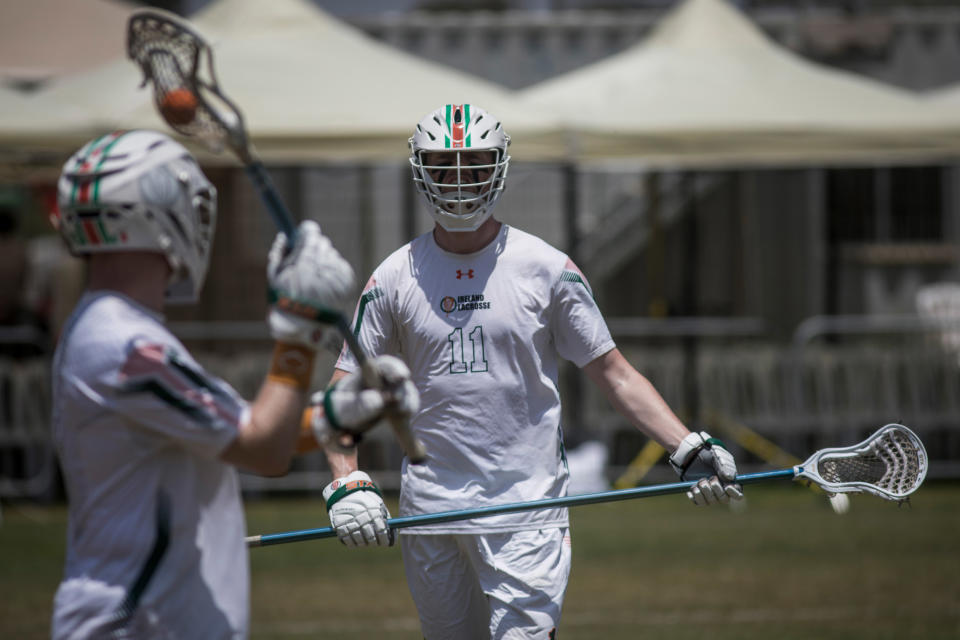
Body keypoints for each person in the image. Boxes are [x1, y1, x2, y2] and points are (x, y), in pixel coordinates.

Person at [320, 104, 744, 639]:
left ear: (498, 168)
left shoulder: (546, 267)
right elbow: (343, 396)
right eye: (442, 166)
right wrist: (347, 482)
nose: (457, 182)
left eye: (472, 165)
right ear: (419, 171)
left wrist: (686, 448)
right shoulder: (392, 276)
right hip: (430, 513)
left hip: (528, 510)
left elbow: (614, 372)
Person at [49, 130, 416, 639]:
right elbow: (264, 450)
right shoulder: (124, 345)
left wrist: (342, 414)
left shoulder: (117, 331)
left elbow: (246, 431)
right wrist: (299, 330)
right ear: (155, 216)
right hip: (137, 623)